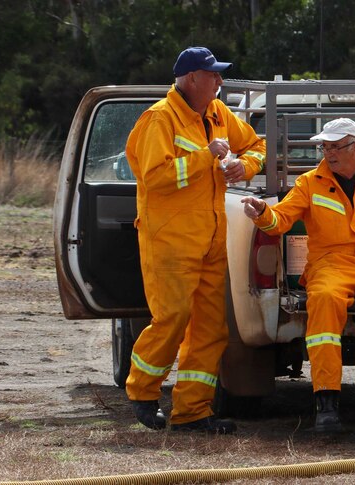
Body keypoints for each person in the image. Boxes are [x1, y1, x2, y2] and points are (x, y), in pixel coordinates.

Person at [241, 118, 355, 432]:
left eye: (335, 146)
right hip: (330, 265)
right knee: (323, 300)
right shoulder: (310, 181)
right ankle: (327, 405)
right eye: (325, 146)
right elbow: (281, 219)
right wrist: (262, 213)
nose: (328, 153)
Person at [123, 46, 266, 433]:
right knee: (172, 319)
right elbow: (155, 178)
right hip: (170, 242)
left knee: (211, 329)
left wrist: (244, 165)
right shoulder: (159, 119)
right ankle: (142, 393)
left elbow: (257, 145)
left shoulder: (219, 113)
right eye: (214, 75)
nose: (220, 81)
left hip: (211, 241)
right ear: (191, 80)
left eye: (220, 74)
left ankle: (192, 412)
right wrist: (207, 156)